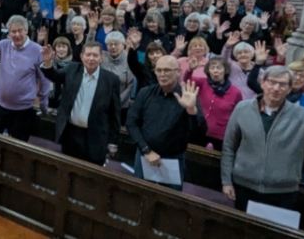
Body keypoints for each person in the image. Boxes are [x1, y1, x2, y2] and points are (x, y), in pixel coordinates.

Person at [223, 65, 304, 211]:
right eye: (272, 82)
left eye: (282, 84)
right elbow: (229, 146)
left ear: (289, 88)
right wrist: (226, 181)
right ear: (262, 83)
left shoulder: (301, 115)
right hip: (243, 186)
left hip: (282, 192)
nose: (276, 88)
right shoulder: (242, 108)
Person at [126, 56, 206, 189]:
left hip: (172, 160)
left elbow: (200, 135)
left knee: (169, 202)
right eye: (159, 70)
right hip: (145, 155)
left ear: (178, 72)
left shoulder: (188, 96)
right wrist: (146, 150)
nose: (162, 74)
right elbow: (131, 123)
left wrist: (191, 109)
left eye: (167, 70)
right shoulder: (145, 92)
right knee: (139, 195)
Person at [0, 5, 51, 141]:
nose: (16, 35)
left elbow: (44, 80)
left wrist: (44, 104)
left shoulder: (37, 51)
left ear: (26, 30)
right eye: (12, 32)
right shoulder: (4, 45)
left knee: (17, 147)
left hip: (23, 111)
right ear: (8, 33)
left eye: (19, 31)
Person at [40, 42, 121, 165]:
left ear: (101, 58)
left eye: (95, 55)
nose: (91, 58)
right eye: (88, 54)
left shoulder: (111, 80)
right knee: (67, 169)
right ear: (82, 56)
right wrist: (47, 62)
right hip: (70, 133)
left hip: (96, 136)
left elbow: (115, 113)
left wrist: (113, 141)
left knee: (91, 175)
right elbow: (54, 76)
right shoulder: (72, 69)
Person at [185, 57, 243, 150]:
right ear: (208, 71)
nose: (215, 70)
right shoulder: (202, 83)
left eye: (219, 68)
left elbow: (239, 115)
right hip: (199, 131)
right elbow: (187, 82)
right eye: (212, 68)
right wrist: (190, 70)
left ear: (225, 70)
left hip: (220, 136)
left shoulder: (235, 92)